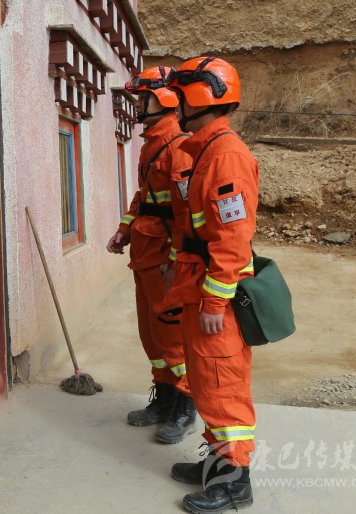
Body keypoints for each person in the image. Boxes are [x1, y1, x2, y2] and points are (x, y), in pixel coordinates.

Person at [164, 57, 259, 513]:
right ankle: (219, 463)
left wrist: (216, 301)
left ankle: (235, 482)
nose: (176, 107)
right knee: (207, 382)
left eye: (180, 97)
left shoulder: (225, 156)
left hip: (215, 293)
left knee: (223, 385)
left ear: (200, 97)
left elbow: (232, 239)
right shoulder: (207, 151)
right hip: (198, 284)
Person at [106, 67, 196, 444]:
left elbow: (187, 214)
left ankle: (185, 406)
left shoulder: (180, 149)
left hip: (164, 263)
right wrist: (124, 230)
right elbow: (143, 197)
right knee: (152, 337)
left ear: (165, 100)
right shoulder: (150, 145)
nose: (139, 104)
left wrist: (176, 263)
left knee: (173, 339)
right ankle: (164, 399)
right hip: (145, 257)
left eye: (144, 98)